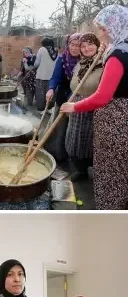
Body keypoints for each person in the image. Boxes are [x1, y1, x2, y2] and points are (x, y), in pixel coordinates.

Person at [61, 5, 128, 209]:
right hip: (121, 119)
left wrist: (74, 107)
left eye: (104, 29)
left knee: (111, 171)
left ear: (117, 27)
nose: (101, 34)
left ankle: (108, 210)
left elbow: (102, 97)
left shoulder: (118, 55)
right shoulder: (122, 48)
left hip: (115, 123)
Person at [64, 33, 103, 181]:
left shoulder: (104, 64)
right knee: (74, 141)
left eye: (90, 44)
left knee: (90, 143)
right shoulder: (80, 64)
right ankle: (81, 171)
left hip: (93, 109)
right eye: (83, 46)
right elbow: (74, 85)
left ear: (97, 45)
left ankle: (96, 171)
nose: (86, 49)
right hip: (75, 108)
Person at [46, 33, 81, 164]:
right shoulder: (62, 58)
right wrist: (51, 89)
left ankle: (73, 156)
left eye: (78, 45)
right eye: (72, 44)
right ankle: (57, 153)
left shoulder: (84, 60)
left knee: (72, 129)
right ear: (68, 44)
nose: (74, 48)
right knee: (59, 126)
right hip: (63, 97)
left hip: (78, 100)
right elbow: (55, 77)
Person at [33, 37, 59, 111]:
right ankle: (49, 108)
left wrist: (34, 65)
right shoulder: (56, 51)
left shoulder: (42, 49)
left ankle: (41, 109)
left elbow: (36, 63)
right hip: (52, 77)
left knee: (40, 93)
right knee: (50, 94)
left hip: (41, 76)